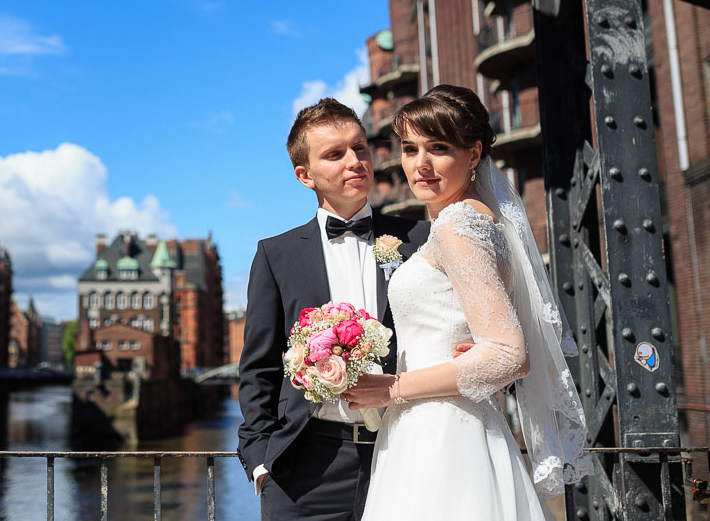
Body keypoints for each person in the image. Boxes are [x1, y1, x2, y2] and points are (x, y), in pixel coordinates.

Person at [341, 85, 591, 520]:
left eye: (437, 148)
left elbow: (510, 355)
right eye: (409, 148)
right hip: (448, 422)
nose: (420, 165)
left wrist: (392, 387)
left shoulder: (458, 225)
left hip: (441, 435)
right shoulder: (477, 219)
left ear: (473, 154)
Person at [236, 98, 432, 520]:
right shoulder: (276, 255)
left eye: (360, 147)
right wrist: (260, 462)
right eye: (335, 154)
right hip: (306, 470)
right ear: (304, 176)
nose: (355, 161)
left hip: (404, 453)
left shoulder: (421, 240)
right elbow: (259, 368)